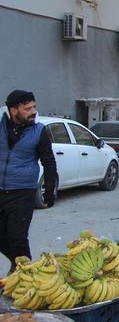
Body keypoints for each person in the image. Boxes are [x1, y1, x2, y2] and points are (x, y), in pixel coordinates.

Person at [0, 90, 57, 270]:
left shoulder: (39, 131)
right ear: (13, 110)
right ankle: (19, 264)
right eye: (27, 108)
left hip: (22, 192)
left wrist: (49, 190)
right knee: (1, 237)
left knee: (17, 236)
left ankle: (25, 274)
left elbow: (48, 161)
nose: (33, 111)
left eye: (34, 107)